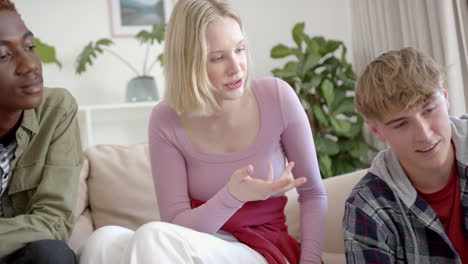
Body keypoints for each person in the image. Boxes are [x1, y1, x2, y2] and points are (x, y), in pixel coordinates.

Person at [79, 0, 327, 263]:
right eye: (218, 58)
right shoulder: (166, 118)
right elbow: (176, 225)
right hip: (198, 241)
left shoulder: (277, 96)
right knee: (102, 240)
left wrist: (310, 260)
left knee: (152, 236)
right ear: (188, 62)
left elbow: (313, 193)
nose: (236, 67)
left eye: (240, 50)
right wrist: (232, 196)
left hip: (262, 248)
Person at [343, 47, 468, 263]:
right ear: (376, 130)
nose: (425, 135)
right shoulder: (367, 207)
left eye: (429, 110)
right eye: (401, 124)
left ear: (445, 96)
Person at [0, 1, 83, 263]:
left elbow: (54, 221)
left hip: (23, 255)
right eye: (3, 55)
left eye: (29, 47)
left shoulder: (57, 111)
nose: (30, 66)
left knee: (51, 253)